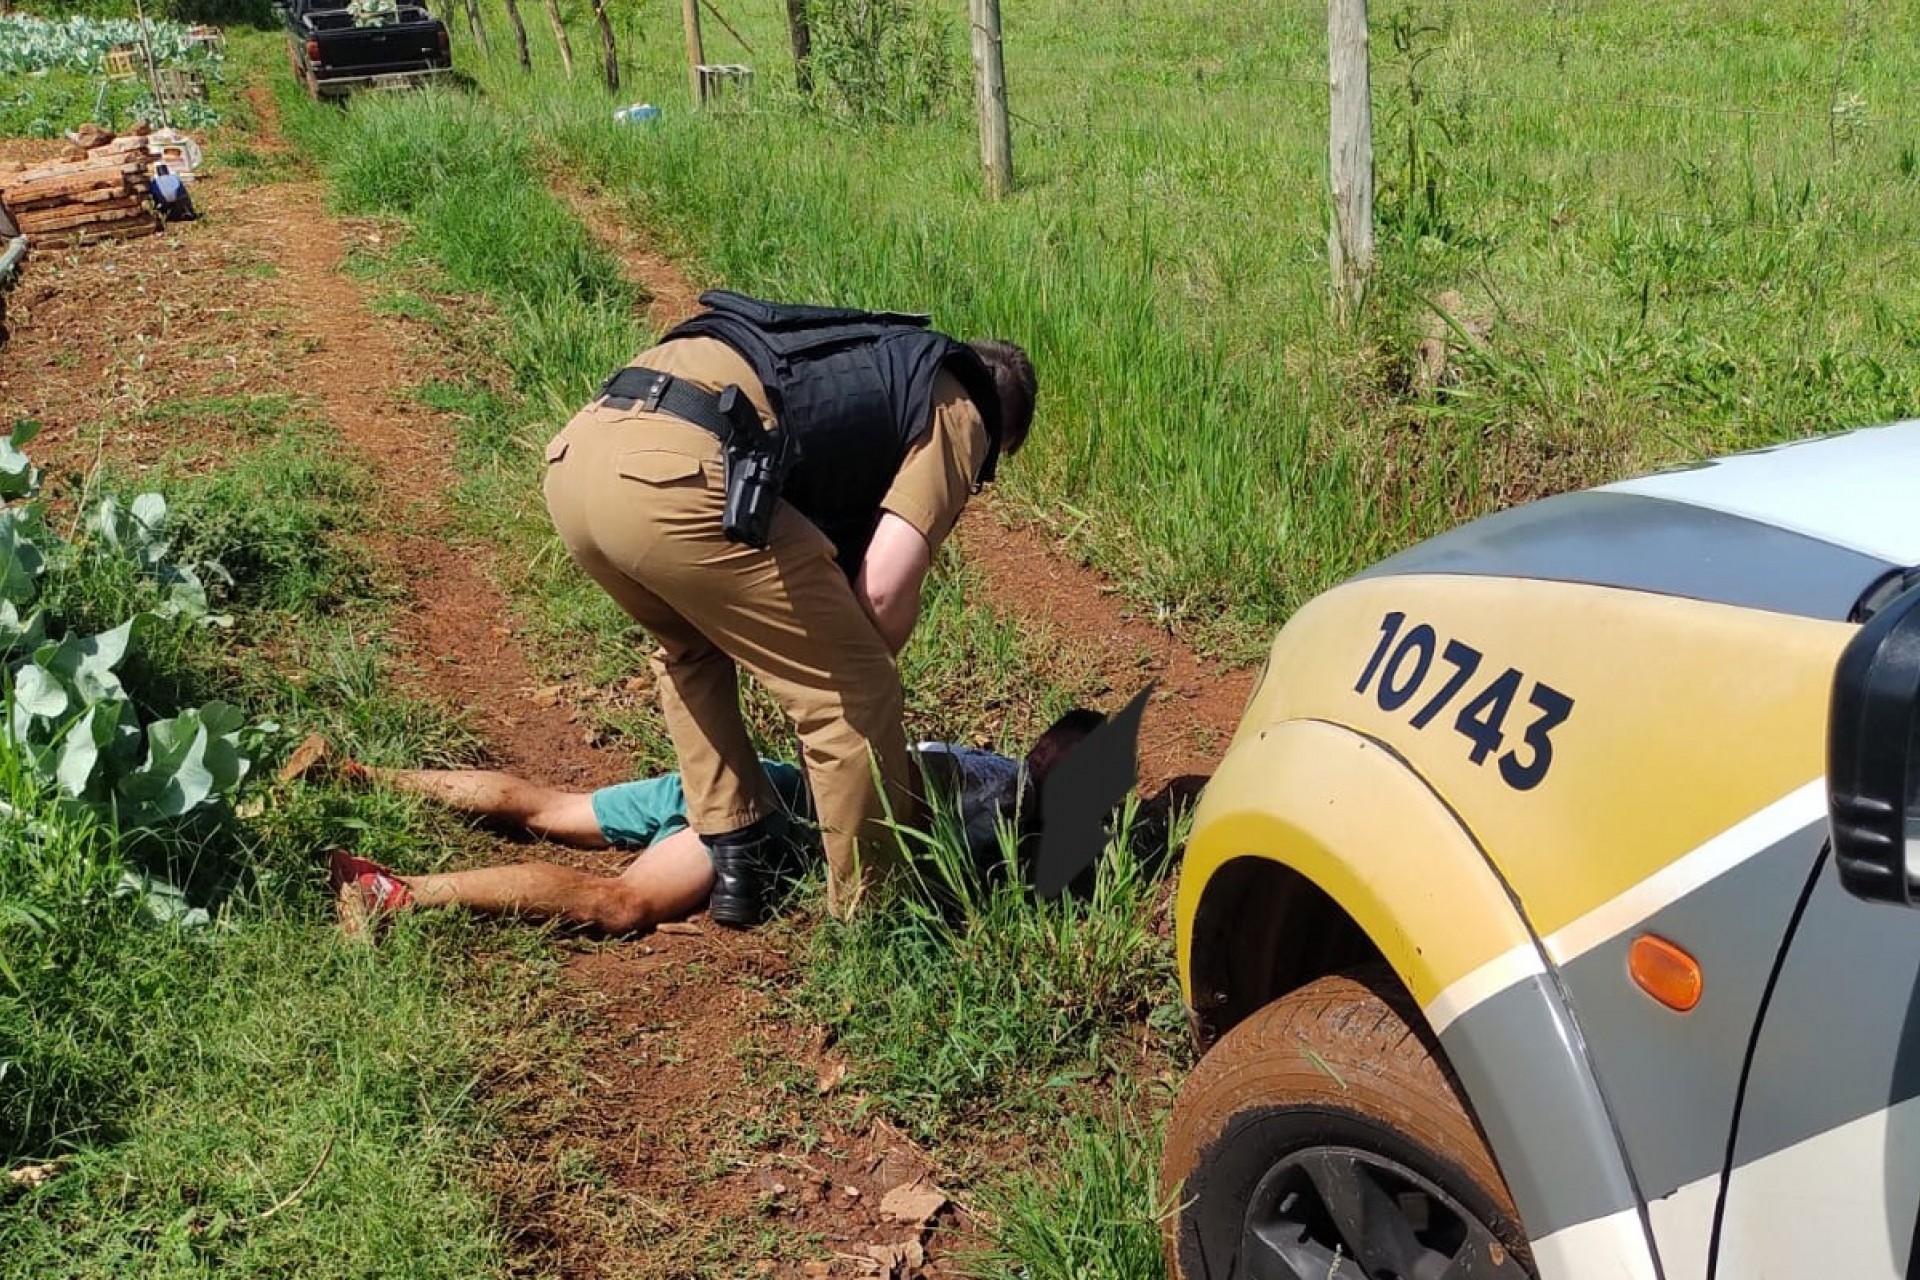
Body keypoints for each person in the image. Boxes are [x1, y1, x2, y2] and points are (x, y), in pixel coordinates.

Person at [541, 291, 1038, 927]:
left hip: (577, 461)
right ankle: (874, 918)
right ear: (1004, 427)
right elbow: (885, 584)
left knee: (694, 648)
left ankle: (736, 855)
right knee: (853, 690)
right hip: (675, 476)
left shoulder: (872, 356)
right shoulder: (964, 403)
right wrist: (844, 677)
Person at [325, 710, 1103, 936]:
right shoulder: (1001, 812)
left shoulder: (982, 765)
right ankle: (396, 894)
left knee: (552, 808)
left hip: (751, 775)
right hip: (753, 818)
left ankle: (353, 772)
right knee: (619, 903)